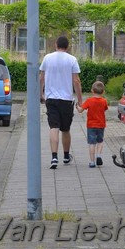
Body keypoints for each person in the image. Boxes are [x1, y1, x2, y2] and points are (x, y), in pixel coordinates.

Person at [39, 36, 83, 169]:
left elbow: (41, 77)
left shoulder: (47, 58)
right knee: (65, 129)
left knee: (53, 127)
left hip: (51, 99)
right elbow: (76, 81)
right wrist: (80, 100)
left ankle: (54, 157)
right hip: (66, 100)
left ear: (56, 44)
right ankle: (65, 155)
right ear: (67, 46)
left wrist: (41, 93)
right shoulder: (72, 59)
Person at [77, 81, 109, 168]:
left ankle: (92, 162)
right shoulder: (104, 101)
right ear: (103, 92)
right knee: (100, 141)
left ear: (92, 91)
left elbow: (80, 110)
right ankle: (99, 155)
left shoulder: (89, 100)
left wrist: (77, 106)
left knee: (92, 143)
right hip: (101, 125)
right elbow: (105, 109)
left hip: (91, 125)